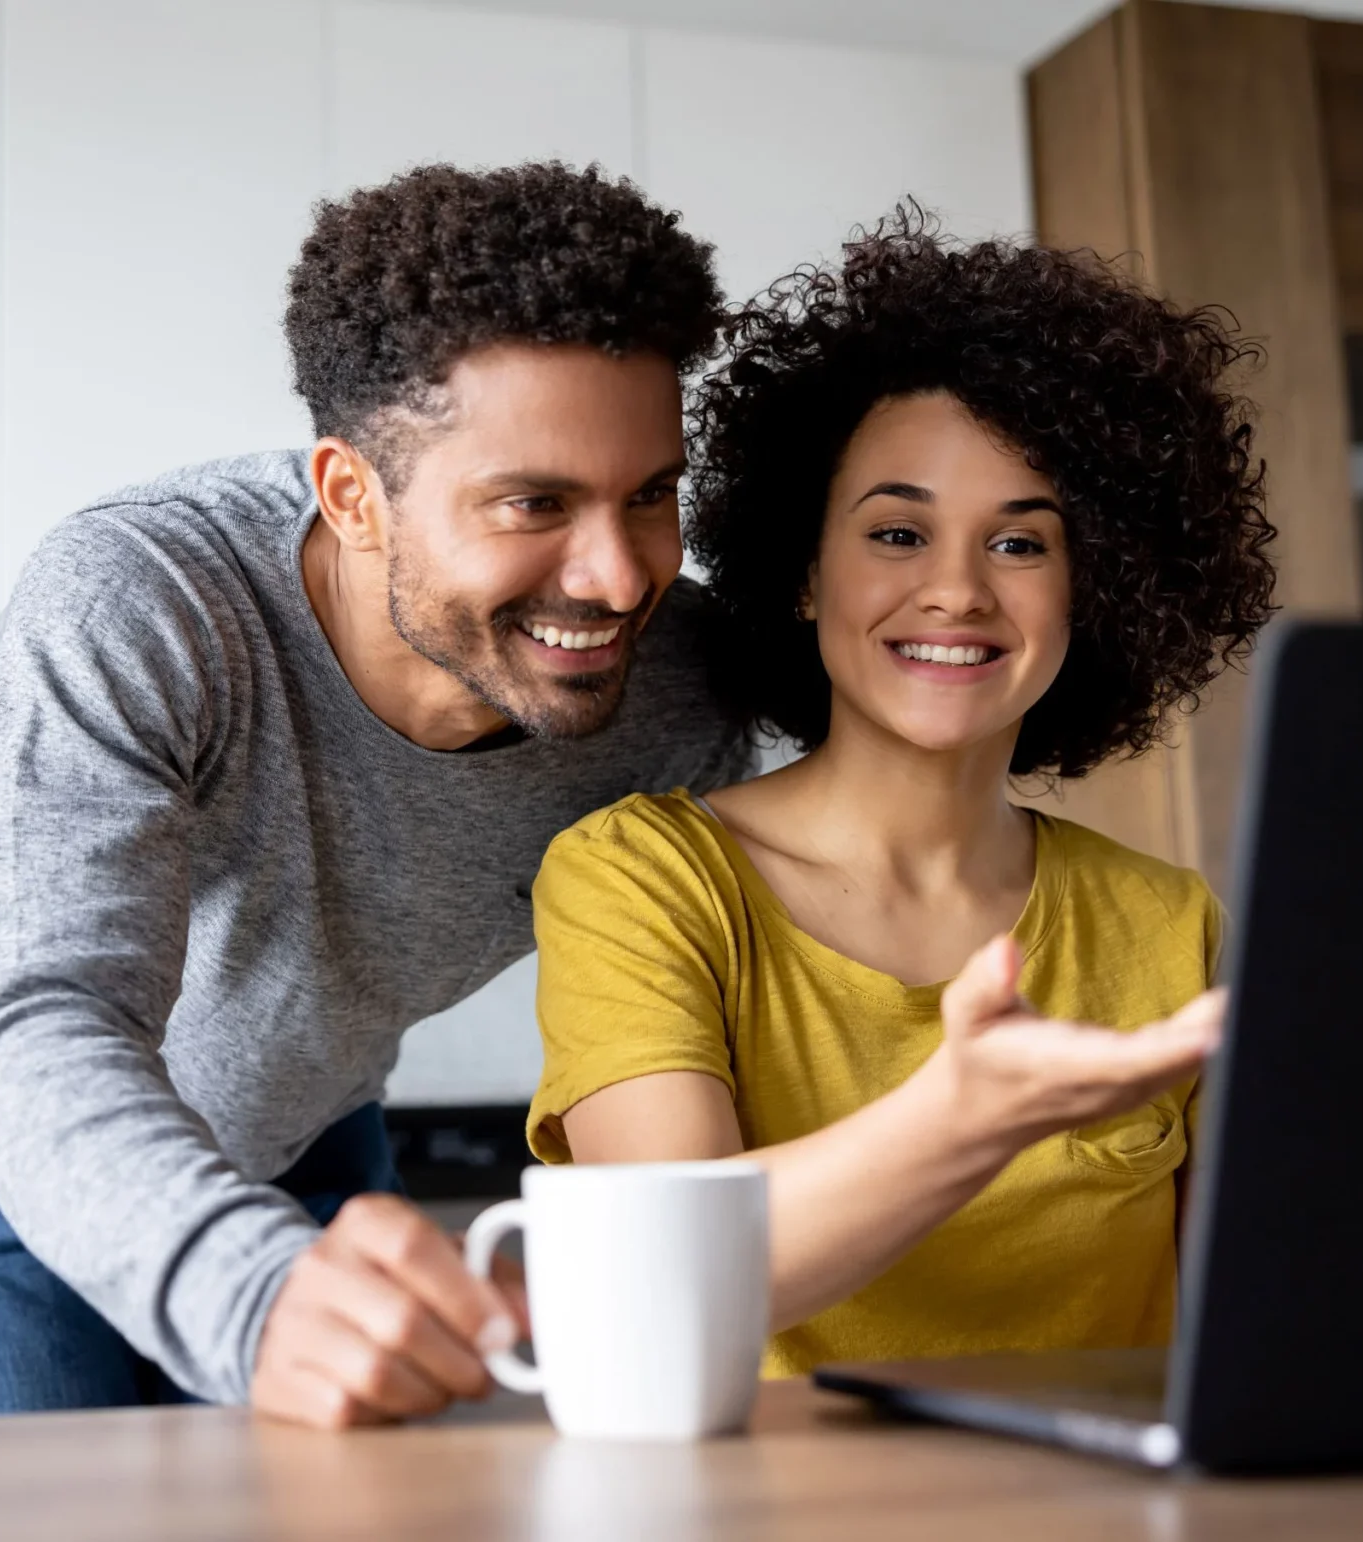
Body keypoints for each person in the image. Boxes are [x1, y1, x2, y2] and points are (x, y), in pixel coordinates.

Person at [0, 162, 752, 1427]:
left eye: (650, 495)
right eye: (532, 503)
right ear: (349, 494)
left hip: (309, 1097)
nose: (614, 579)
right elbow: (41, 1013)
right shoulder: (145, 600)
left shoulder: (684, 686)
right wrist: (251, 1296)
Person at [526, 211, 1278, 1376]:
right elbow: (662, 1280)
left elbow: (1232, 1336)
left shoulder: (1167, 924)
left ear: (1100, 590)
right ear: (802, 574)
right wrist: (969, 1112)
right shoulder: (639, 881)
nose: (956, 591)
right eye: (896, 532)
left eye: (1021, 545)